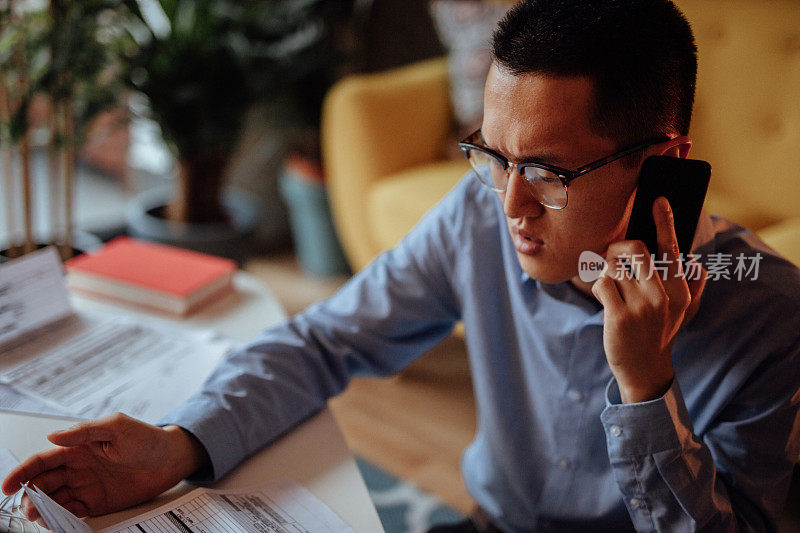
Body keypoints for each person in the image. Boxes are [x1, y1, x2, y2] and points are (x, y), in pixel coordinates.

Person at [4, 0, 800, 531]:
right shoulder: (477, 215)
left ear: (664, 161)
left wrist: (646, 389)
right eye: (492, 154)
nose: (510, 205)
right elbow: (325, 342)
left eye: (551, 172)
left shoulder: (768, 309)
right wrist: (180, 443)